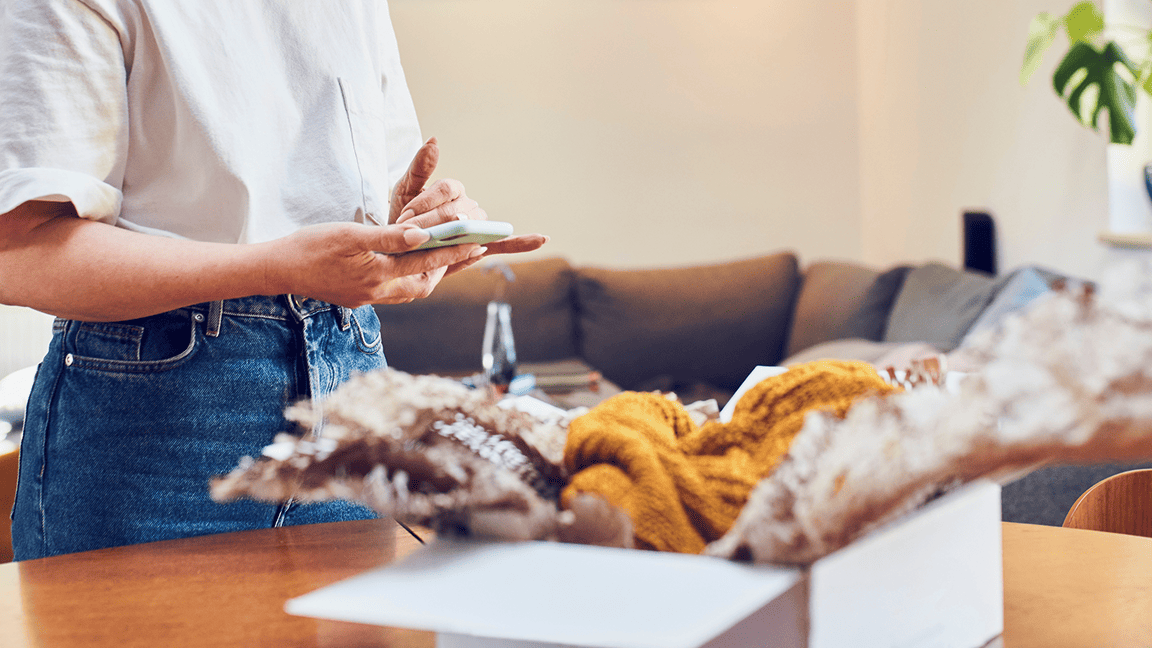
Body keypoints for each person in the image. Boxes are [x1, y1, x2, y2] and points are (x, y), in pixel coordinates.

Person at [0, 1, 546, 560]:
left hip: (353, 381)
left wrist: (412, 228)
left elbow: (366, 198)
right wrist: (275, 266)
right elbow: (19, 249)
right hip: (155, 419)